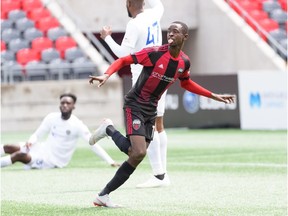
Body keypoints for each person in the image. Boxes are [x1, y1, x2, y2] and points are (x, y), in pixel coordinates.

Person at [88, 21, 236, 207]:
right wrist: (107, 74)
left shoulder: (184, 62)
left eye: (176, 31)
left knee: (136, 154)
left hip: (152, 109)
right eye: (170, 31)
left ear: (185, 37)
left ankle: (103, 193)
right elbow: (124, 60)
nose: (171, 34)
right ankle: (108, 134)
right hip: (135, 104)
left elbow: (186, 83)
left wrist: (212, 95)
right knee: (139, 152)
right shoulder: (155, 52)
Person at [100, 0, 169, 188]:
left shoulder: (134, 23)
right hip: (161, 74)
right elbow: (159, 3)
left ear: (129, 3)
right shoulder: (156, 13)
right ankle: (163, 175)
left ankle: (159, 174)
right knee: (159, 124)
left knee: (150, 127)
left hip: (143, 81)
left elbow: (123, 54)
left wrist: (106, 37)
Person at [1, 93, 119, 169]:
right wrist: (31, 141)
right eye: (62, 102)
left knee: (19, 155)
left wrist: (110, 161)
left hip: (52, 161)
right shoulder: (51, 117)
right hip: (42, 149)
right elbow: (38, 134)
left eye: (68, 103)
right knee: (9, 147)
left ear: (73, 106)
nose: (65, 105)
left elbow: (93, 144)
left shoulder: (77, 125)